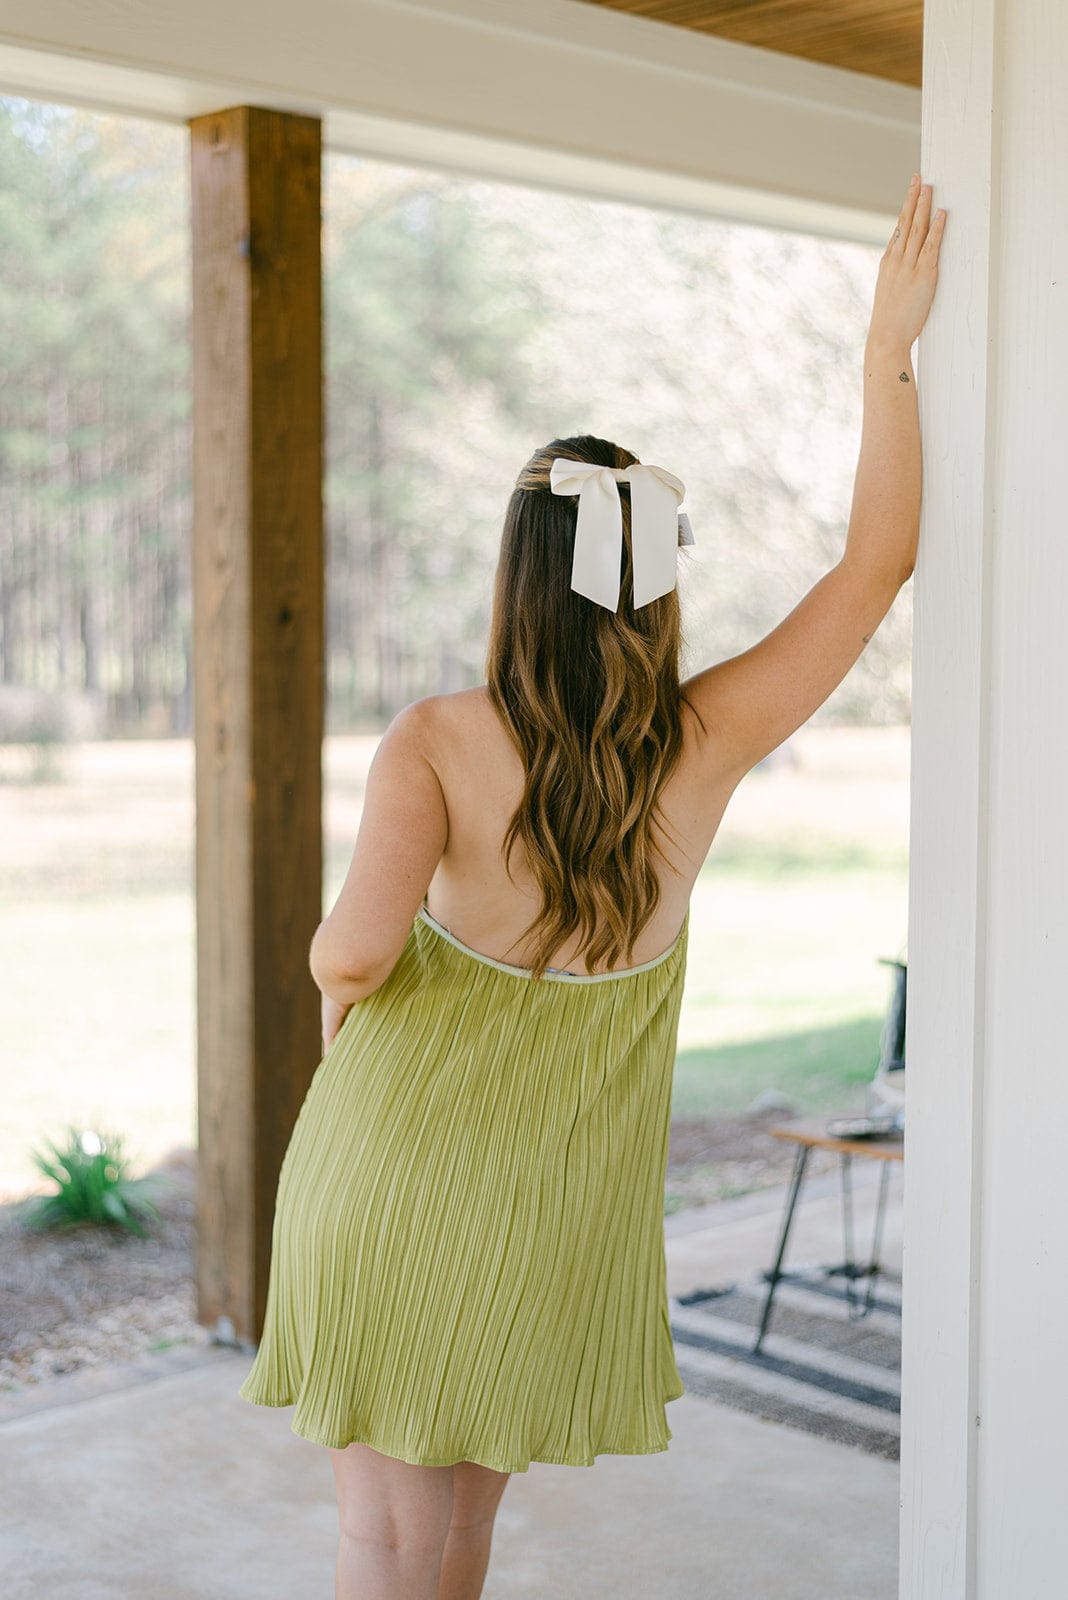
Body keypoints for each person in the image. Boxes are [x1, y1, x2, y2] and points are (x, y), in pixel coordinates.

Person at [238, 174, 946, 1599]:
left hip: (389, 1169)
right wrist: (886, 359)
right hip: (557, 1205)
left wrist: (335, 985)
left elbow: (355, 960)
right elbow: (877, 568)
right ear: (656, 581)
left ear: (518, 578)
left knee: (375, 1534)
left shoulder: (436, 741)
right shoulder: (707, 740)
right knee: (462, 1537)